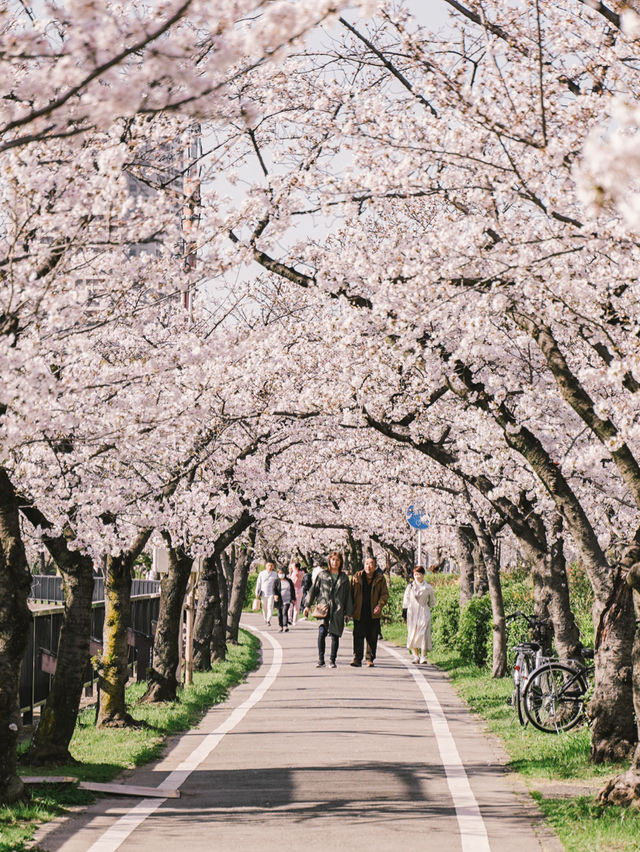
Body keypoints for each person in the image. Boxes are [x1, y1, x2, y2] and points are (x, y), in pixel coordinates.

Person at [304, 551, 352, 668]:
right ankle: (321, 659)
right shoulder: (322, 575)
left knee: (335, 635)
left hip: (338, 609)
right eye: (333, 559)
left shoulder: (344, 578)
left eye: (337, 560)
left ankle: (332, 660)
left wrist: (348, 612)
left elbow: (348, 596)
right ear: (329, 561)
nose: (335, 562)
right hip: (323, 607)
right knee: (322, 633)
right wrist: (307, 605)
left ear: (341, 562)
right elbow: (313, 590)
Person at [350, 556, 389, 667]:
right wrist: (349, 610)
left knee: (372, 636)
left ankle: (369, 658)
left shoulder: (380, 578)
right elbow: (351, 594)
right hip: (359, 611)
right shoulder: (356, 577)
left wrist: (380, 605)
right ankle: (357, 658)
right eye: (367, 563)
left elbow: (385, 594)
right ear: (364, 565)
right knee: (358, 635)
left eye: (371, 564)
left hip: (373, 612)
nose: (369, 566)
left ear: (375, 566)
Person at [402, 566, 436, 664]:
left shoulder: (428, 587)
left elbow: (432, 601)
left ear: (423, 575)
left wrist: (429, 606)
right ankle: (415, 655)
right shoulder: (410, 587)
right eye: (415, 574)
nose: (417, 576)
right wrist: (405, 611)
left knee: (424, 633)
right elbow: (406, 600)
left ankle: (423, 656)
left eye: (419, 574)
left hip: (424, 611)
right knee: (413, 633)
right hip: (412, 612)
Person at [255, 561, 278, 627]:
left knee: (270, 606)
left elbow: (276, 585)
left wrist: (276, 593)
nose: (270, 567)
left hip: (271, 593)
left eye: (271, 565)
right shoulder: (262, 574)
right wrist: (257, 592)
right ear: (266, 566)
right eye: (269, 565)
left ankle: (268, 620)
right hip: (263, 593)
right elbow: (258, 583)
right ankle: (265, 619)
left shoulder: (275, 574)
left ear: (273, 566)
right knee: (264, 607)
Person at [274, 568, 296, 632]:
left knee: (285, 612)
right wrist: (275, 595)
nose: (281, 574)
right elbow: (274, 589)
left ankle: (285, 626)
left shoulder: (289, 581)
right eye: (280, 573)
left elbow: (292, 590)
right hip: (279, 599)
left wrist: (293, 598)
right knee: (279, 613)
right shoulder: (276, 581)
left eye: (282, 573)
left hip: (287, 599)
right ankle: (280, 626)